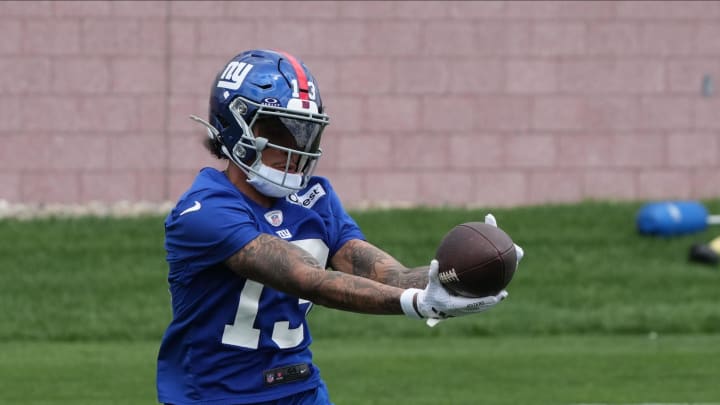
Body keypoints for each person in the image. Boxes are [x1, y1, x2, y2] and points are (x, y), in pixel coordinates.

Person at [156, 49, 523, 405]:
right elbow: (306, 278)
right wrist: (417, 304)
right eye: (278, 131)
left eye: (302, 133)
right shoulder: (205, 208)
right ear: (235, 126)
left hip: (299, 389)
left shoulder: (316, 197)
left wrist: (451, 279)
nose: (295, 149)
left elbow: (388, 275)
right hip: (215, 397)